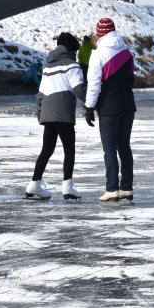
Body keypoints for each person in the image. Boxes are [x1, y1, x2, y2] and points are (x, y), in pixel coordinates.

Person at [24, 32, 86, 201]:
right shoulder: (71, 65)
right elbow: (79, 89)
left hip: (47, 113)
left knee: (47, 149)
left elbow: (40, 94)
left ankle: (34, 184)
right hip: (63, 112)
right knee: (69, 149)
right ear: (72, 49)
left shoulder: (48, 67)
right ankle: (68, 187)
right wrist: (94, 102)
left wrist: (40, 114)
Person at [84, 18, 137, 203]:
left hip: (108, 107)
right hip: (128, 105)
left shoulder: (98, 54)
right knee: (124, 147)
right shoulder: (126, 51)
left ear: (100, 33)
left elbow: (94, 84)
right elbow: (132, 77)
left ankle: (112, 189)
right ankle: (127, 188)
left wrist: (89, 107)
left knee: (109, 149)